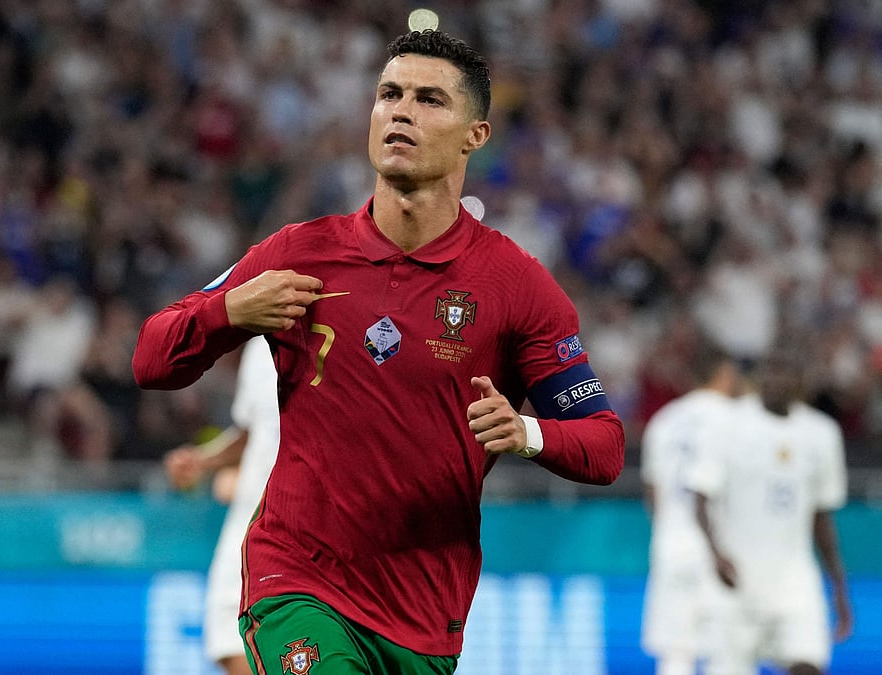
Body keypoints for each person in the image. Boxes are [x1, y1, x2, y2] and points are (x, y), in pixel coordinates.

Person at [133, 29, 625, 674]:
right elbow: (151, 358)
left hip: (424, 609)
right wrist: (227, 310)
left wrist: (526, 432)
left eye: (429, 100)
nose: (400, 111)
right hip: (297, 579)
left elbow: (605, 446)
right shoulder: (299, 252)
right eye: (389, 94)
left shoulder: (517, 285)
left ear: (475, 135)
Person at [688, 348, 853, 675]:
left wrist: (838, 585)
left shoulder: (822, 433)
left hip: (794, 577)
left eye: (785, 371)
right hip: (737, 577)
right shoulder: (728, 423)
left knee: (809, 664)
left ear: (801, 381)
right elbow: (700, 496)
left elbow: (821, 517)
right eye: (770, 371)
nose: (775, 380)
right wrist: (715, 553)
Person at [163, 336, 280, 675]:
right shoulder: (261, 345)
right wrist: (204, 460)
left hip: (309, 522)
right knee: (231, 638)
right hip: (249, 519)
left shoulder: (345, 328)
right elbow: (253, 432)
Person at [639, 341, 742, 675]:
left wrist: (670, 525)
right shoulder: (738, 417)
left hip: (672, 541)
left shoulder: (664, 420)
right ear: (724, 374)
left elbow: (653, 494)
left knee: (676, 651)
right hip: (722, 543)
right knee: (726, 650)